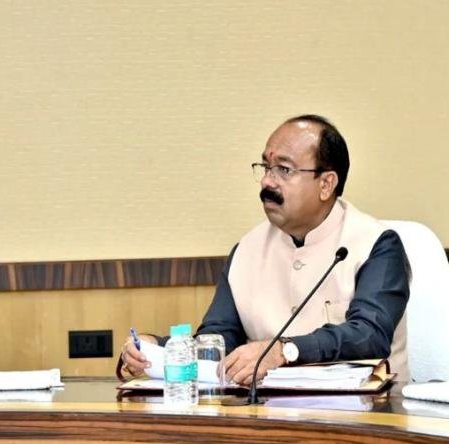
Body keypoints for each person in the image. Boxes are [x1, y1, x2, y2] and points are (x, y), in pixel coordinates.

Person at [121, 115, 410, 385]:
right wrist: (157, 348)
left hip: (366, 413)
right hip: (266, 412)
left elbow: (369, 335)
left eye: (284, 169)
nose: (267, 181)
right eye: (266, 167)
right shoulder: (247, 250)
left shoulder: (376, 244)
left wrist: (284, 351)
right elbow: (219, 339)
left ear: (326, 184)